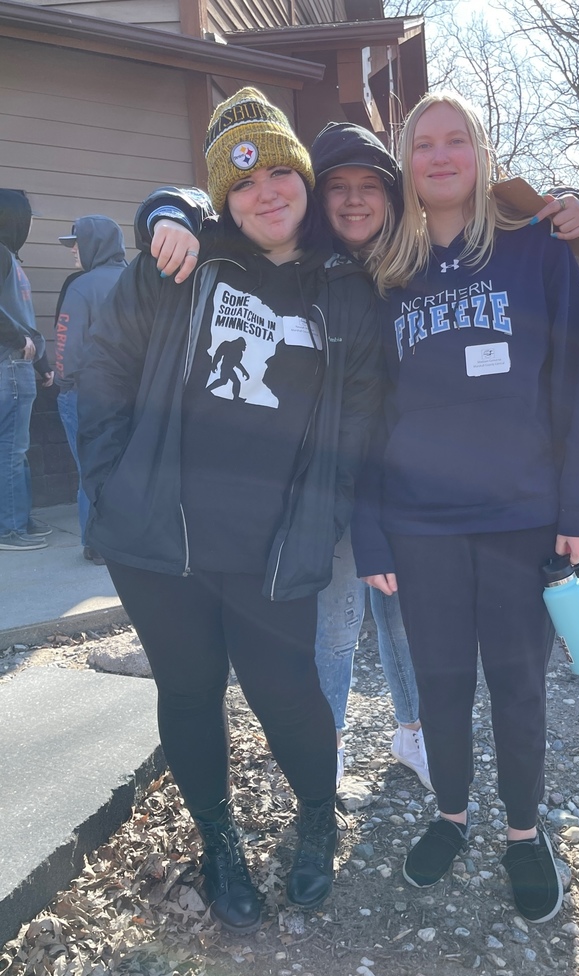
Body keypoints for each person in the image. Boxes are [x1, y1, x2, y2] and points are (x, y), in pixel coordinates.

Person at [135, 121, 579, 792]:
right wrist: (167, 209)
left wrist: (578, 202)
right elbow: (219, 204)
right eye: (337, 187)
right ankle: (331, 745)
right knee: (335, 622)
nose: (354, 201)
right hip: (320, 483)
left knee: (402, 620)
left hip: (396, 482)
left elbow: (504, 218)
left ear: (394, 193)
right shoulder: (297, 254)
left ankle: (414, 732)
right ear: (315, 197)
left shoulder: (412, 252)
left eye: (371, 186)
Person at [76, 88, 383, 932]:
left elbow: (358, 425)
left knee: (288, 690)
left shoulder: (345, 290)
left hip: (272, 546)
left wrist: (322, 521)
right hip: (159, 540)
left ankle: (315, 817)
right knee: (189, 688)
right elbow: (102, 368)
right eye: (242, 182)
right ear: (222, 197)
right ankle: (219, 842)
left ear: (304, 177)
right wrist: (108, 481)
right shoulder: (183, 262)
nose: (266, 192)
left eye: (280, 171)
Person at [352, 92, 579, 924]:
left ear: (481, 152)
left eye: (455, 139)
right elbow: (367, 413)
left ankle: (524, 833)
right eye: (423, 143)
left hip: (520, 515)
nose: (439, 155)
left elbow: (575, 383)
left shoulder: (536, 251)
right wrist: (370, 530)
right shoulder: (387, 269)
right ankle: (452, 816)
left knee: (518, 682)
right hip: (418, 521)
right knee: (441, 681)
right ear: (407, 162)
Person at [55, 216, 128, 565]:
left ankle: (95, 543)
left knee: (90, 468)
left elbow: (66, 344)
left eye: (76, 243)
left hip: (85, 394)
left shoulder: (81, 287)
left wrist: (62, 382)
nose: (73, 250)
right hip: (132, 394)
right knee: (124, 468)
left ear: (94, 244)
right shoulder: (136, 280)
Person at [0, 188, 53, 551]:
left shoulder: (10, 257)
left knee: (16, 448)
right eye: (29, 218)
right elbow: (18, 327)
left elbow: (23, 317)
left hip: (19, 365)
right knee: (11, 449)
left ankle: (19, 517)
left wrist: (42, 363)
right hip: (8, 364)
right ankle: (10, 529)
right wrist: (18, 341)